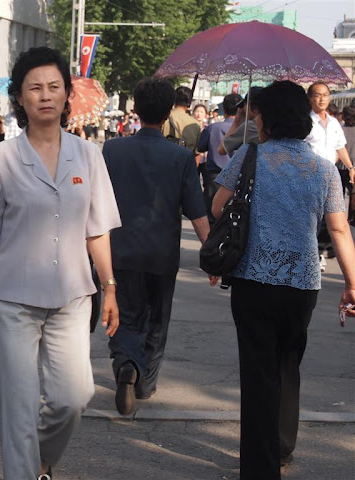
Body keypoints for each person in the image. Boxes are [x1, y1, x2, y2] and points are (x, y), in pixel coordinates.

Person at [0, 46, 121, 480]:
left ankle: (41, 459)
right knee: (17, 408)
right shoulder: (2, 158)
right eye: (35, 88)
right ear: (19, 97)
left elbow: (97, 229)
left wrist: (109, 287)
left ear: (67, 94)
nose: (45, 95)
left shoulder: (88, 156)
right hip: (14, 301)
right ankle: (25, 471)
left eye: (53, 87)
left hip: (72, 298)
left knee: (73, 397)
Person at [211, 80, 355, 480]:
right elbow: (339, 230)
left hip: (252, 280)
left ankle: (259, 468)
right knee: (288, 364)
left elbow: (218, 206)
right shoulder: (324, 169)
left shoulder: (249, 156)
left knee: (258, 372)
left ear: (267, 119)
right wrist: (352, 283)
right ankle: (283, 446)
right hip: (301, 284)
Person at [103, 78, 210, 415]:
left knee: (124, 313)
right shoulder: (181, 157)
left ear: (135, 109)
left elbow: (95, 202)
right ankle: (145, 381)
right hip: (162, 253)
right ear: (167, 114)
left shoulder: (112, 150)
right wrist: (213, 255)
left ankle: (126, 364)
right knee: (157, 319)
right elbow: (197, 212)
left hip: (120, 249)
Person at [305, 82, 355, 270]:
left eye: (325, 95)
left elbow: (340, 147)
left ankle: (325, 254)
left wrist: (351, 167)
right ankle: (314, 255)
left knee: (336, 220)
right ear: (311, 98)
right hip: (310, 177)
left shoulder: (334, 123)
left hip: (331, 178)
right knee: (313, 219)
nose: (322, 99)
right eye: (317, 95)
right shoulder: (305, 122)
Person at [197, 92, 243, 225]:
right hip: (237, 177)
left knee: (211, 216)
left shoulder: (213, 128)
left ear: (225, 109)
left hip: (214, 177)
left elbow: (200, 147)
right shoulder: (247, 130)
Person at [219, 87, 262, 157]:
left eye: (244, 105)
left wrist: (236, 122)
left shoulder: (249, 126)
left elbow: (221, 150)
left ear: (252, 106)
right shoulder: (273, 125)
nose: (244, 110)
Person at [161, 86, 201, 152]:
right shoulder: (196, 124)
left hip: (164, 155)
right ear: (190, 102)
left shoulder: (163, 118)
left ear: (174, 99)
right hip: (187, 157)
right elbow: (197, 152)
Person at [340, 105, 355, 223]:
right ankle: (351, 219)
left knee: (339, 194)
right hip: (353, 167)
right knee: (353, 193)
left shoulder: (340, 129)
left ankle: (339, 218)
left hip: (339, 166)